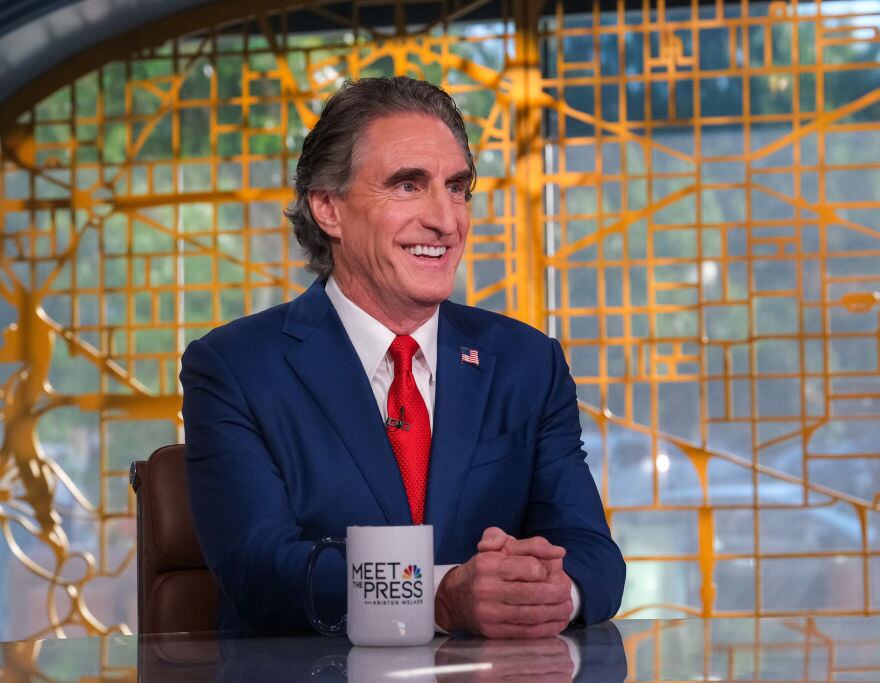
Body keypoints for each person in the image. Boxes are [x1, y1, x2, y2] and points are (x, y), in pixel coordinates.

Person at [180, 76, 625, 637]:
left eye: (458, 187)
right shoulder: (235, 368)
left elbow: (593, 553)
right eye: (409, 186)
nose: (446, 220)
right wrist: (438, 597)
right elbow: (260, 568)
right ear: (328, 208)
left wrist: (553, 594)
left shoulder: (527, 364)